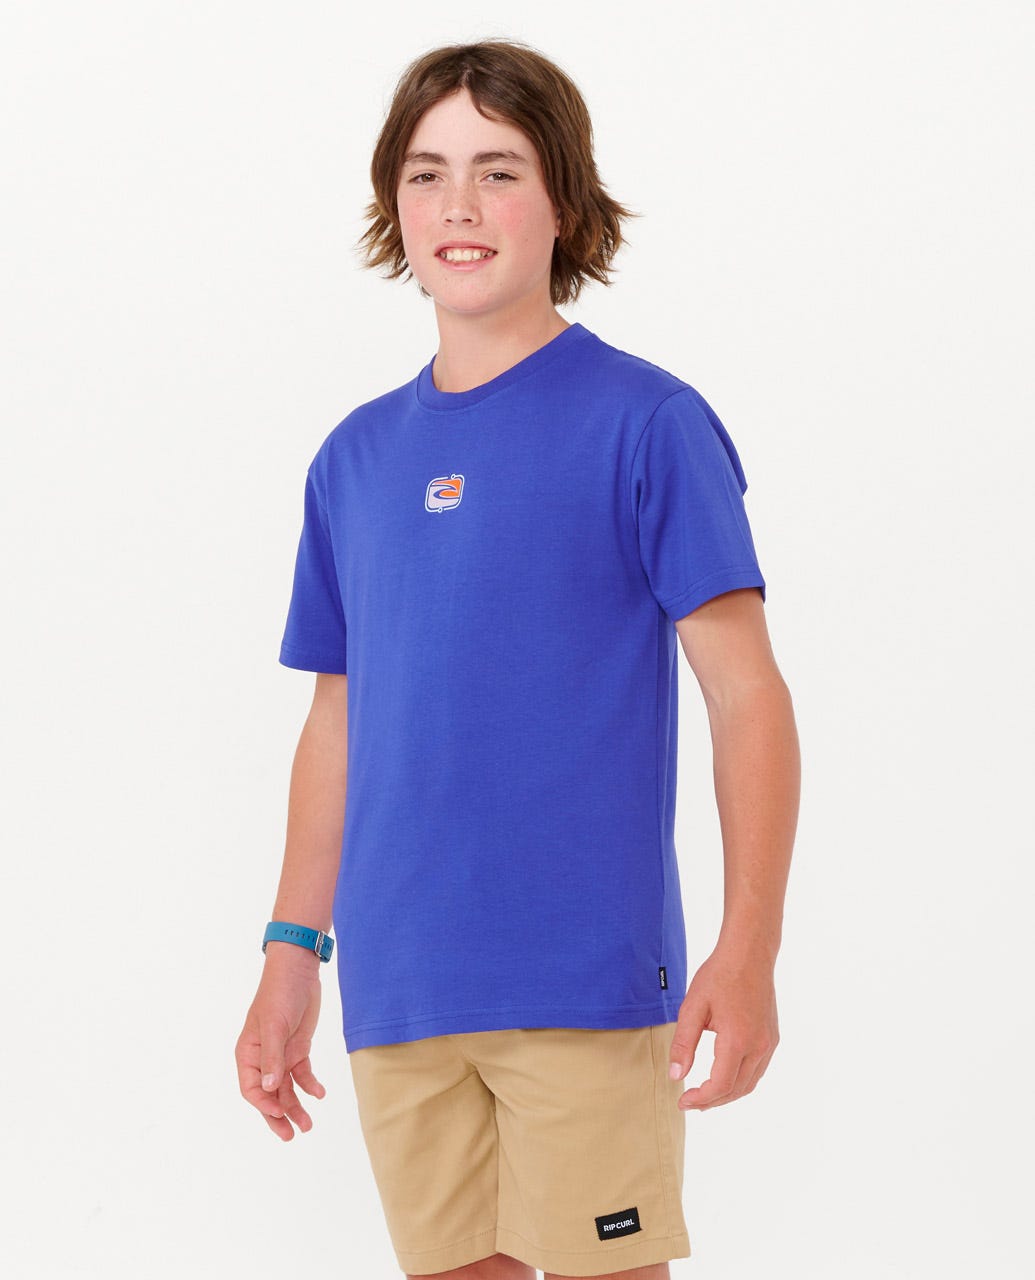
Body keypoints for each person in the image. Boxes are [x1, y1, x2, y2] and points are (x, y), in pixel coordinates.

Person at [235, 37, 800, 1280]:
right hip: (402, 984)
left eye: (498, 171)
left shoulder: (648, 423)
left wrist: (749, 944)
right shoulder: (353, 460)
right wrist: (289, 948)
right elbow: (338, 721)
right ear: (394, 204)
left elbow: (746, 695)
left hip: (585, 982)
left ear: (563, 202)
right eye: (428, 174)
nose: (459, 206)